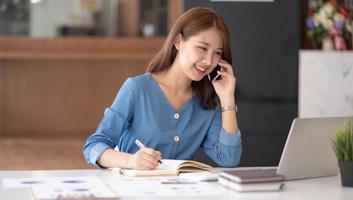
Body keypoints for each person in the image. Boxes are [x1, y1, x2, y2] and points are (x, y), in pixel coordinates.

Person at [83, 7, 242, 169]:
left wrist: (227, 98)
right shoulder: (137, 89)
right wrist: (130, 161)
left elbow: (228, 159)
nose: (209, 61)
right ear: (178, 42)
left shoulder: (207, 103)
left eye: (217, 53)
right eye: (202, 48)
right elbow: (94, 146)